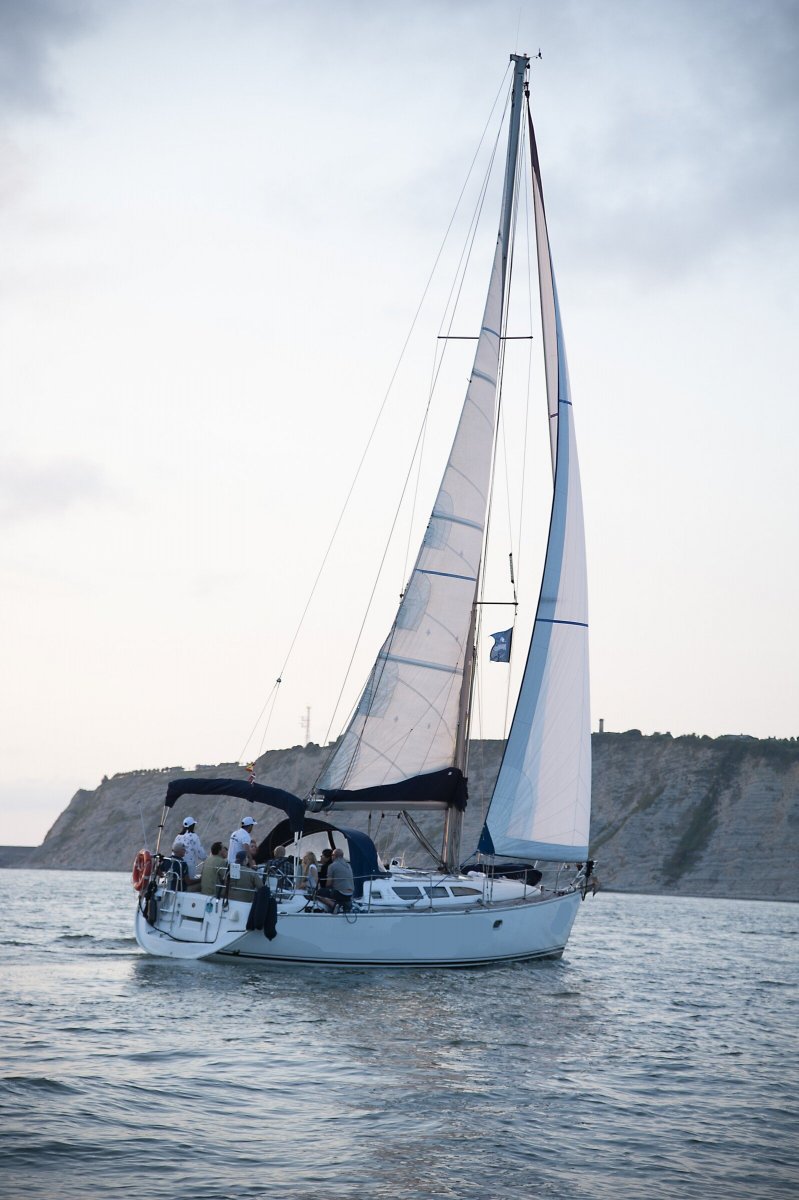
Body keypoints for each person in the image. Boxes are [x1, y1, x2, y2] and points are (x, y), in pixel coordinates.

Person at [318, 847, 354, 911]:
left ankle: (333, 905)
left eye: (332, 855)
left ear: (334, 856)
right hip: (350, 893)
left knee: (318, 893)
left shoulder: (332, 866)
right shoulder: (349, 866)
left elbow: (328, 884)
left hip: (340, 893)